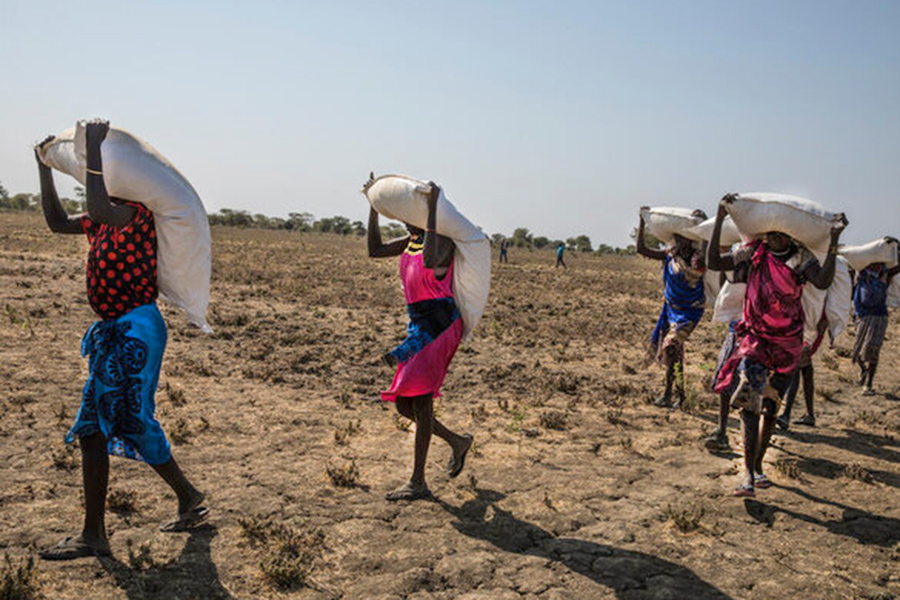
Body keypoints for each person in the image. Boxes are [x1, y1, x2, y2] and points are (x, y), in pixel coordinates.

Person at [36, 120, 207, 561]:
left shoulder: (134, 214)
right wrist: (44, 169)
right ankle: (108, 528)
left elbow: (97, 200)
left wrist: (93, 148)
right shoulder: (100, 220)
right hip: (115, 330)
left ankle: (180, 499)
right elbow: (56, 222)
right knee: (97, 428)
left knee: (127, 421)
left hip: (136, 328)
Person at [708, 193, 845, 497]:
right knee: (748, 403)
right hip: (755, 339)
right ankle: (746, 474)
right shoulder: (753, 254)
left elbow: (822, 282)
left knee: (770, 409)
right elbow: (714, 261)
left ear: (790, 235)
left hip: (787, 344)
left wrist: (834, 241)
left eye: (780, 233)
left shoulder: (801, 259)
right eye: (770, 232)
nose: (773, 237)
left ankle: (757, 467)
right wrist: (720, 218)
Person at [365, 173, 473, 501]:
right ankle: (457, 441)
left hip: (440, 326)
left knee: (422, 401)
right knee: (403, 403)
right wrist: (371, 206)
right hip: (418, 327)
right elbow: (374, 250)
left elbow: (429, 260)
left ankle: (418, 482)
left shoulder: (443, 242)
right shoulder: (412, 241)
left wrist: (431, 210)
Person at [637, 208, 708, 408]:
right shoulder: (670, 255)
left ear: (690, 239)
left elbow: (707, 248)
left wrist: (704, 226)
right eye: (676, 238)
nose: (678, 241)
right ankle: (679, 394)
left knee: (670, 346)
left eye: (682, 238)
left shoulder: (698, 259)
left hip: (689, 312)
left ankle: (672, 394)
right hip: (670, 310)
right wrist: (642, 222)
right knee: (673, 352)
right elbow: (642, 250)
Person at [852, 252, 900, 395]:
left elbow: (897, 268)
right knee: (858, 351)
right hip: (862, 316)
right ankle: (863, 372)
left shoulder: (884, 275)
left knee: (871, 350)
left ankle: (869, 384)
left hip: (878, 316)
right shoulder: (861, 273)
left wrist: (896, 249)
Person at [777, 312, 828, 431]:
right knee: (806, 371)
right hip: (806, 333)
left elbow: (822, 325)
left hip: (806, 335)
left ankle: (786, 414)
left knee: (795, 371)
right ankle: (809, 415)